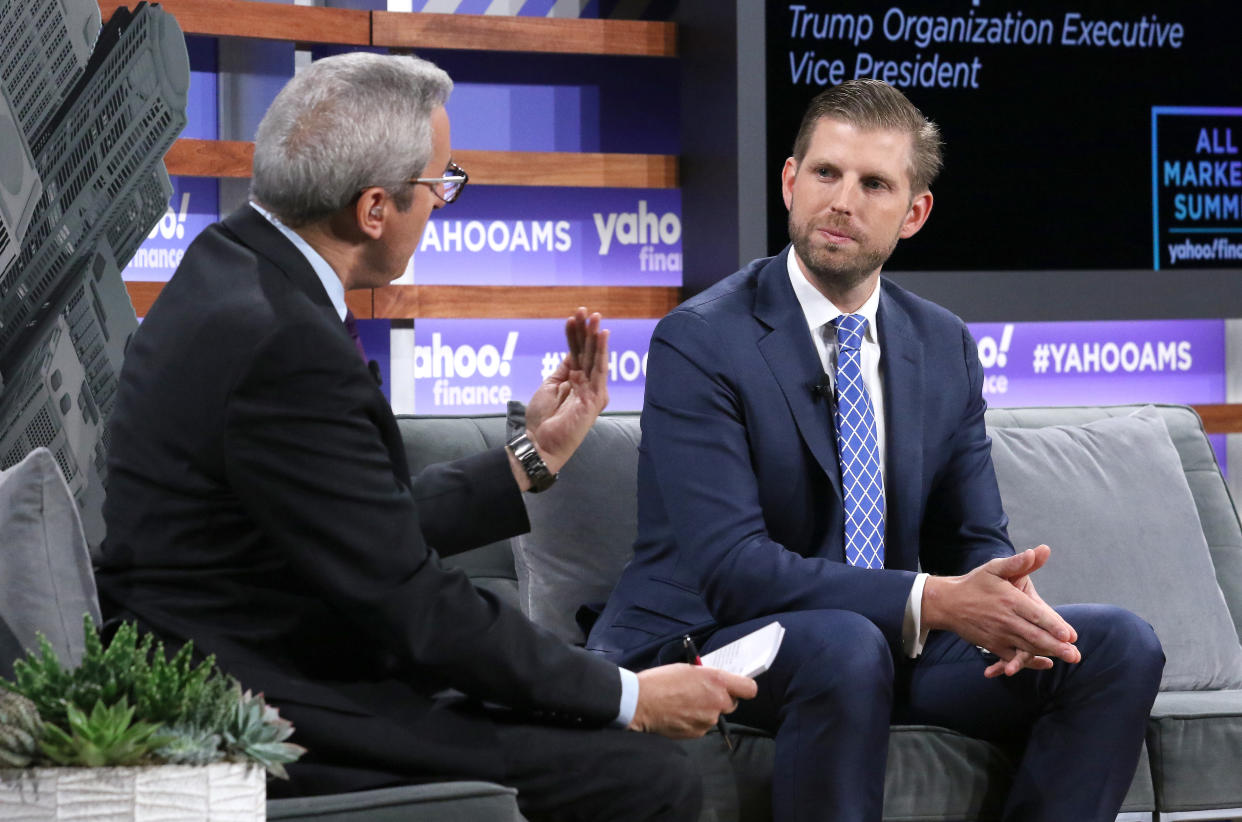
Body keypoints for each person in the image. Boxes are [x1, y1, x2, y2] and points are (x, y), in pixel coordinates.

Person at [96, 52, 756, 821]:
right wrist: (628, 694)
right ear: (375, 209)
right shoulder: (283, 341)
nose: (444, 202)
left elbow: (358, 527)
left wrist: (530, 456)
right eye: (441, 182)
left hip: (253, 655)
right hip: (267, 698)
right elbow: (409, 602)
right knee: (645, 775)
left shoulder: (227, 269)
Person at [587, 78, 1165, 821]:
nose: (842, 201)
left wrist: (1008, 608)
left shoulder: (942, 344)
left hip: (885, 643)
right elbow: (733, 570)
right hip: (715, 637)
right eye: (825, 173)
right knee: (846, 646)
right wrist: (930, 598)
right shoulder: (702, 341)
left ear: (913, 212)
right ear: (790, 182)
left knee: (1116, 646)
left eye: (874, 183)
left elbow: (974, 539)